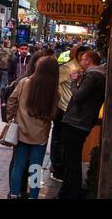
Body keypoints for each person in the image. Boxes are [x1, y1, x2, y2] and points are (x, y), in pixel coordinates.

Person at [7, 56, 59, 199]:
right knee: (36, 168)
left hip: (22, 131)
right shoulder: (55, 91)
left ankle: (14, 193)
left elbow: (11, 100)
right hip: (40, 135)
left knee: (18, 165)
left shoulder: (24, 83)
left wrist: (10, 118)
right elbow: (53, 114)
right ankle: (33, 196)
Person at [57, 51, 106, 199]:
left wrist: (73, 81)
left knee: (72, 160)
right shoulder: (98, 75)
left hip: (76, 123)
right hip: (81, 122)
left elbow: (78, 97)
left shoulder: (93, 76)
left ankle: (72, 192)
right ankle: (66, 191)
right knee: (71, 158)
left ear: (90, 61)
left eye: (83, 59)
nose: (81, 62)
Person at [50, 45, 90, 182]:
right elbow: (54, 85)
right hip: (63, 109)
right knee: (59, 139)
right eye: (84, 56)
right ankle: (56, 168)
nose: (86, 59)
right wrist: (59, 99)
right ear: (78, 55)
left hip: (71, 110)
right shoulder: (67, 68)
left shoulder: (82, 69)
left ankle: (60, 167)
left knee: (62, 140)